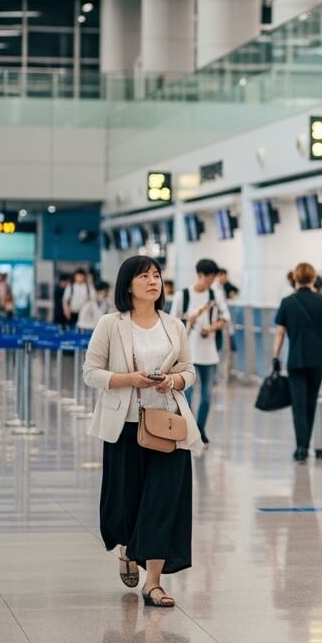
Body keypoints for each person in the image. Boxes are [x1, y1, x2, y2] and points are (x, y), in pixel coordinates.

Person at [82, 255, 200, 610]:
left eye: (157, 275)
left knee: (164, 502)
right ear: (128, 284)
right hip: (126, 427)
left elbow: (189, 370)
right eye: (144, 276)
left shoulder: (173, 325)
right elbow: (91, 372)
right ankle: (127, 549)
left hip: (167, 425)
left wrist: (174, 380)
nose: (153, 281)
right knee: (127, 502)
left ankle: (153, 583)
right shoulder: (110, 324)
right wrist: (127, 380)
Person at [273, 262, 322, 462]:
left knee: (298, 404)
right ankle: (306, 444)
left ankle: (301, 447)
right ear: (313, 279)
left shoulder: (287, 302)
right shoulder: (321, 301)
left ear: (295, 279)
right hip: (317, 360)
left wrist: (275, 357)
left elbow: (280, 333)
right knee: (311, 402)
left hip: (295, 359)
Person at [171, 259, 231, 444]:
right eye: (208, 277)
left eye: (213, 278)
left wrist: (211, 328)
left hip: (209, 353)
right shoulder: (184, 295)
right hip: (188, 354)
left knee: (206, 395)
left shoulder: (215, 295)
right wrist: (188, 321)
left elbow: (225, 318)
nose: (210, 281)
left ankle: (200, 429)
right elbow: (173, 322)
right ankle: (188, 429)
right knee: (187, 394)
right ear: (199, 275)